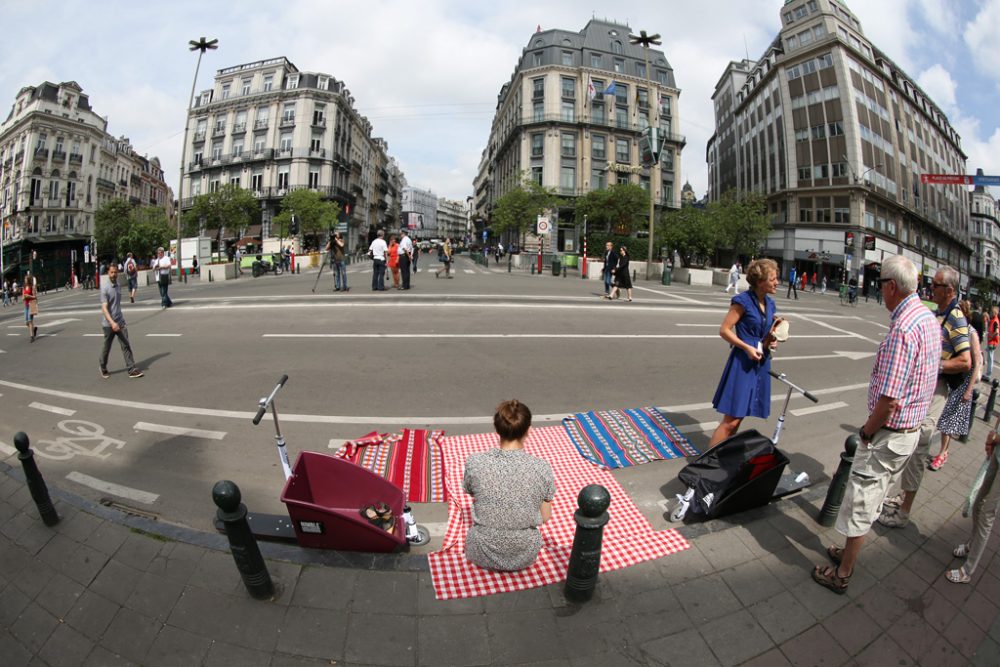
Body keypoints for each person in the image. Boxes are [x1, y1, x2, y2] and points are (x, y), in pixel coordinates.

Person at [812, 256, 940, 594]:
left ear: (892, 287)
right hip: (907, 434)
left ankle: (843, 574)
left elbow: (889, 399)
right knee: (871, 498)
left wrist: (867, 431)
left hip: (888, 435)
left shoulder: (904, 328)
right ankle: (847, 552)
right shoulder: (926, 318)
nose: (879, 288)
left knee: (862, 503)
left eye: (880, 282)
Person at [878, 265, 972, 529]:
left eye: (937, 284)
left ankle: (904, 511)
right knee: (908, 442)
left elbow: (965, 360)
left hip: (937, 391)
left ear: (950, 290)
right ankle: (903, 495)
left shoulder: (955, 317)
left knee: (919, 447)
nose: (931, 286)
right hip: (926, 388)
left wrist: (934, 365)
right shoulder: (938, 313)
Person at [462, 399, 555, 572]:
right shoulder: (542, 468)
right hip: (524, 553)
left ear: (497, 429)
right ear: (529, 430)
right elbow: (546, 517)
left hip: (480, 551)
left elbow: (470, 490)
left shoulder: (475, 462)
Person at [708, 258, 785, 447]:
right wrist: (746, 347)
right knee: (731, 419)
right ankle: (705, 462)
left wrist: (771, 341)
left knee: (740, 417)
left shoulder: (770, 304)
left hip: (760, 361)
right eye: (773, 279)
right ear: (760, 282)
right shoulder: (742, 301)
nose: (777, 282)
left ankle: (720, 456)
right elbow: (724, 330)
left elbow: (764, 333)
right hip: (743, 362)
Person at [946, 413, 1000, 584]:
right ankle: (972, 543)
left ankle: (967, 570)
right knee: (978, 503)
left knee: (987, 515)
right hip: (998, 451)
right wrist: (992, 436)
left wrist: (995, 437)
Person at [929, 300, 982, 471]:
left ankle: (943, 453)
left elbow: (977, 362)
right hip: (951, 380)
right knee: (945, 419)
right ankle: (943, 452)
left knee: (947, 420)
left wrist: (968, 390)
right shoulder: (955, 329)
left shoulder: (970, 332)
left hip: (961, 383)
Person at [99, 264, 144, 379]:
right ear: (108, 273)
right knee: (107, 348)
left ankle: (131, 369)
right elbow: (104, 308)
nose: (114, 275)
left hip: (120, 321)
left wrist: (119, 321)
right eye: (112, 272)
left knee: (126, 344)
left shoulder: (118, 285)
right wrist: (112, 323)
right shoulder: (105, 288)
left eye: (115, 272)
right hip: (108, 324)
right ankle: (103, 366)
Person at [22, 271, 38, 342]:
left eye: (25, 279)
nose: (24, 280)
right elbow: (22, 297)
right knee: (26, 323)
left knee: (30, 321)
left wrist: (29, 296)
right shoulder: (24, 287)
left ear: (28, 280)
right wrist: (24, 297)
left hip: (31, 305)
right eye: (24, 279)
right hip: (26, 306)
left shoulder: (32, 287)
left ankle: (32, 337)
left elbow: (35, 297)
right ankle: (34, 329)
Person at [986, 306, 999, 381]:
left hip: (992, 342)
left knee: (990, 358)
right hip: (992, 342)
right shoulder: (994, 320)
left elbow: (996, 332)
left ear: (995, 313)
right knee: (990, 357)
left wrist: (991, 336)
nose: (990, 313)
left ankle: (988, 374)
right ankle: (988, 373)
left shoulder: (995, 321)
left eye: (992, 312)